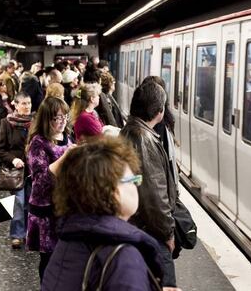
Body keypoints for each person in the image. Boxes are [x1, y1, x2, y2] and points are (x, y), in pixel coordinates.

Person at [42, 136, 165, 291]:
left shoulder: (69, 240)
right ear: (112, 190)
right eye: (133, 180)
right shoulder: (123, 257)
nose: (136, 187)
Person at [120, 80, 178, 288]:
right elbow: (155, 195)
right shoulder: (144, 139)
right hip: (151, 231)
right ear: (159, 111)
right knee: (164, 284)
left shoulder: (129, 130)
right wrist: (168, 233)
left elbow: (136, 180)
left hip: (137, 226)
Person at [26, 97, 74, 282]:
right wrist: (66, 157)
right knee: (48, 259)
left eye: (65, 117)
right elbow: (41, 180)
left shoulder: (65, 136)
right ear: (46, 119)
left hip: (63, 206)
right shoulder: (38, 143)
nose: (62, 122)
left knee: (62, 257)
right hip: (45, 209)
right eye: (57, 118)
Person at [0, 91, 33, 249]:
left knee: (31, 203)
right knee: (19, 202)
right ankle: (17, 234)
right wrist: (13, 159)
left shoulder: (35, 122)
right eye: (23, 103)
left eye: (29, 103)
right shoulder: (7, 123)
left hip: (33, 170)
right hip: (16, 172)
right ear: (15, 105)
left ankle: (30, 233)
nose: (27, 107)